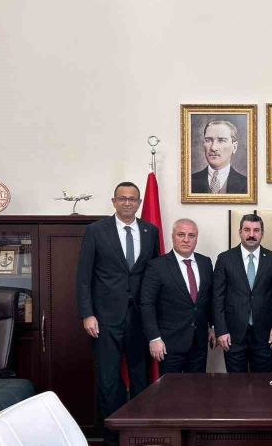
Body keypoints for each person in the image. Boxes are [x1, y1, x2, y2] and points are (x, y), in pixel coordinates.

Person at [76, 182, 160, 446]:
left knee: (141, 379)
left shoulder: (150, 231)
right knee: (109, 382)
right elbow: (84, 276)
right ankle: (112, 439)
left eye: (132, 199)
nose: (127, 203)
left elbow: (154, 275)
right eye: (122, 198)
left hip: (140, 319)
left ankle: (140, 435)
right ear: (114, 201)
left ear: (139, 203)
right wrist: (87, 314)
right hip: (104, 319)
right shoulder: (96, 231)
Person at [212, 214, 272, 372]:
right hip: (232, 334)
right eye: (247, 230)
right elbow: (217, 297)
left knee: (262, 382)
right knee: (235, 383)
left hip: (265, 334)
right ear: (240, 232)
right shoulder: (225, 259)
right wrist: (221, 330)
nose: (251, 234)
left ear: (262, 233)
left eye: (256, 230)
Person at [141, 219, 215, 374]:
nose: (186, 239)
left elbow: (210, 298)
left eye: (191, 235)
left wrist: (214, 326)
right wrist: (154, 338)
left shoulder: (205, 262)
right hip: (168, 343)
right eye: (181, 234)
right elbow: (147, 304)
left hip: (199, 342)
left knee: (197, 386)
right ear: (173, 236)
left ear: (196, 239)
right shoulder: (157, 266)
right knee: (170, 388)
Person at [191, 120, 248, 194]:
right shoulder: (189, 181)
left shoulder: (247, 184)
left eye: (221, 140)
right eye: (208, 140)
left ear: (234, 147)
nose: (213, 148)